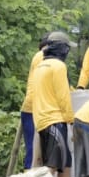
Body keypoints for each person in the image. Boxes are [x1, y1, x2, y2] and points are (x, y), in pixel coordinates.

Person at [20, 31, 72, 169]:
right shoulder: (54, 64)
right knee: (46, 164)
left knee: (42, 161)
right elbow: (62, 95)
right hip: (49, 116)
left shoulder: (42, 63)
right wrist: (70, 119)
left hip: (39, 116)